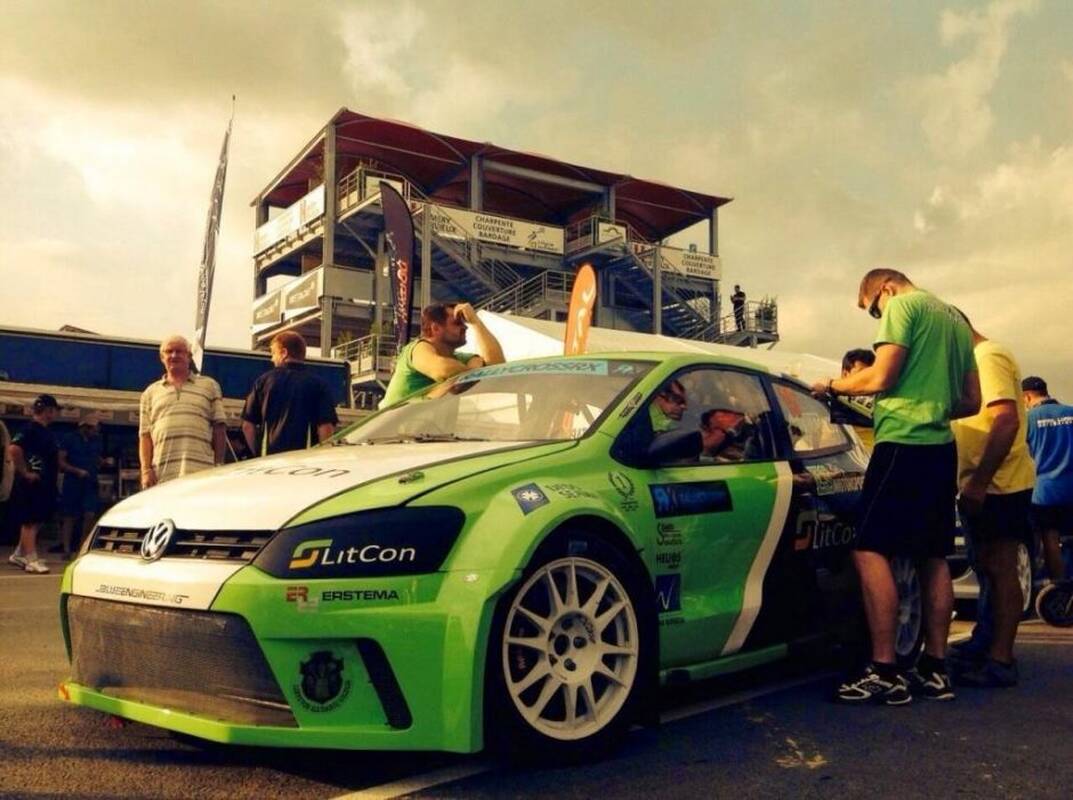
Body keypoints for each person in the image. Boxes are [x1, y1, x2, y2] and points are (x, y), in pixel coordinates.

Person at [811, 268, 979, 705]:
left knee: (869, 548)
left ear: (884, 288)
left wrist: (832, 385)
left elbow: (880, 377)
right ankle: (935, 668)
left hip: (902, 441)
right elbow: (971, 400)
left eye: (872, 310)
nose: (876, 317)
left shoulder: (903, 305)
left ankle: (884, 670)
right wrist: (933, 403)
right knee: (932, 555)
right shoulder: (954, 318)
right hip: (940, 447)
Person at [945, 318, 1034, 688]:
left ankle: (1001, 659)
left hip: (999, 485)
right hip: (985, 483)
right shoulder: (976, 361)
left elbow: (1006, 421)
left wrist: (980, 482)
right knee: (987, 568)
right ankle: (986, 644)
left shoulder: (988, 356)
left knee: (1000, 569)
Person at [139, 335, 226, 488]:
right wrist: (146, 470)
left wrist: (219, 465)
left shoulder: (210, 386)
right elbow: (145, 436)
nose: (174, 355)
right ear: (162, 358)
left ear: (189, 356)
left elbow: (219, 428)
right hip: (162, 475)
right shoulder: (149, 393)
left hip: (202, 473)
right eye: (169, 351)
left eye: (179, 351)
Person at [380, 302, 505, 408]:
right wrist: (474, 372)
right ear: (435, 328)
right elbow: (444, 370)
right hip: (393, 428)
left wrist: (476, 322)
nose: (465, 327)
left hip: (429, 428)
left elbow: (497, 367)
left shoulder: (459, 358)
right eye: (457, 323)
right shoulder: (417, 348)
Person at [1020, 376, 1073, 617]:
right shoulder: (1070, 413)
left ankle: (1060, 591)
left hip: (1045, 492)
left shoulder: (1029, 419)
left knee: (1050, 538)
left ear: (1027, 396)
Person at [242, 331, 339, 456]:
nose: (272, 359)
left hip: (269, 461)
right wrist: (322, 456)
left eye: (273, 353)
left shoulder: (263, 382)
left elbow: (247, 426)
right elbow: (326, 427)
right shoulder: (318, 385)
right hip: (305, 460)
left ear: (284, 353)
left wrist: (257, 453)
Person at [6, 395, 62, 573]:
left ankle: (19, 554)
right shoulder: (30, 429)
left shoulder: (45, 432)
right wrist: (25, 472)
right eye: (54, 410)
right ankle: (31, 559)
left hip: (45, 483)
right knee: (30, 521)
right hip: (32, 483)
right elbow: (13, 449)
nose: (56, 414)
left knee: (38, 519)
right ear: (49, 411)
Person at [54, 410, 104, 558]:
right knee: (69, 516)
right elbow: (60, 461)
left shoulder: (96, 440)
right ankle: (66, 549)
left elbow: (96, 457)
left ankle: (82, 548)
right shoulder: (69, 439)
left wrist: (103, 461)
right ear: (85, 427)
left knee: (90, 514)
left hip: (90, 482)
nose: (96, 431)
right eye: (94, 428)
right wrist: (76, 471)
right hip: (73, 482)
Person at [841, 348, 877, 452]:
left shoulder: (880, 400)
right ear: (845, 374)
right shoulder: (828, 398)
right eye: (861, 374)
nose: (866, 379)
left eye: (870, 374)